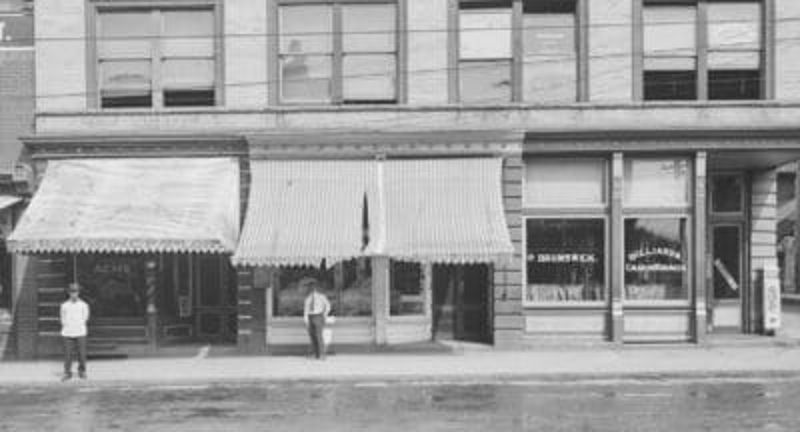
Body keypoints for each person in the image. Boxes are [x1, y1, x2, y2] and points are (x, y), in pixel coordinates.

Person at [60, 282, 90, 381]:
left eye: (76, 291)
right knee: (68, 354)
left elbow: (85, 318)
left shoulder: (83, 305)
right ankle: (67, 372)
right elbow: (63, 318)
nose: (74, 294)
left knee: (81, 354)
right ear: (69, 293)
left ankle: (82, 371)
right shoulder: (64, 305)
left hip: (80, 332)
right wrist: (68, 326)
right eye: (72, 292)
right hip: (67, 333)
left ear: (78, 292)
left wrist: (78, 325)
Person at [302, 277, 330, 360]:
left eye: (312, 286)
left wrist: (324, 314)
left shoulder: (321, 296)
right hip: (310, 317)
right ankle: (315, 354)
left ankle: (322, 354)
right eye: (309, 287)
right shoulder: (308, 298)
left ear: (316, 287)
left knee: (319, 335)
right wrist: (306, 320)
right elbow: (306, 310)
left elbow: (328, 306)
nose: (311, 288)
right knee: (312, 336)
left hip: (318, 316)